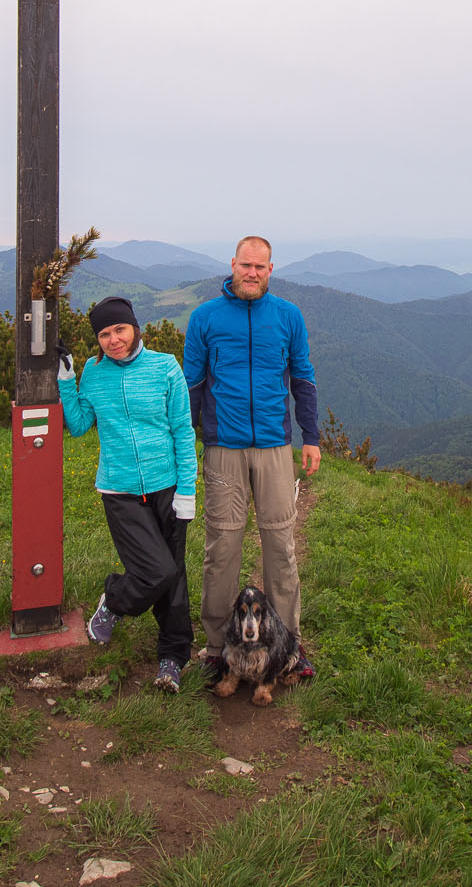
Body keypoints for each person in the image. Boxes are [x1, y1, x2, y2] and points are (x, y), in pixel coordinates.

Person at [181, 235, 321, 676]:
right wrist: (187, 440)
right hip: (224, 447)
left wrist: (311, 436)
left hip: (276, 448)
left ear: (271, 270)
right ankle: (217, 649)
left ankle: (289, 649)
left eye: (260, 267)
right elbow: (193, 386)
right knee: (222, 546)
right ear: (232, 265)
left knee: (280, 543)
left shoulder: (287, 316)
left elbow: (303, 378)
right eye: (246, 266)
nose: (252, 274)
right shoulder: (205, 318)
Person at [56, 296, 198, 693]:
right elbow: (82, 424)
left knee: (175, 576)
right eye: (104, 334)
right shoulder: (93, 373)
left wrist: (187, 489)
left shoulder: (164, 367)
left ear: (135, 328)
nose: (113, 339)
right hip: (118, 489)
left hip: (167, 485)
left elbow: (184, 433)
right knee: (159, 571)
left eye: (119, 329)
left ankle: (172, 657)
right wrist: (67, 381)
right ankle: (115, 600)